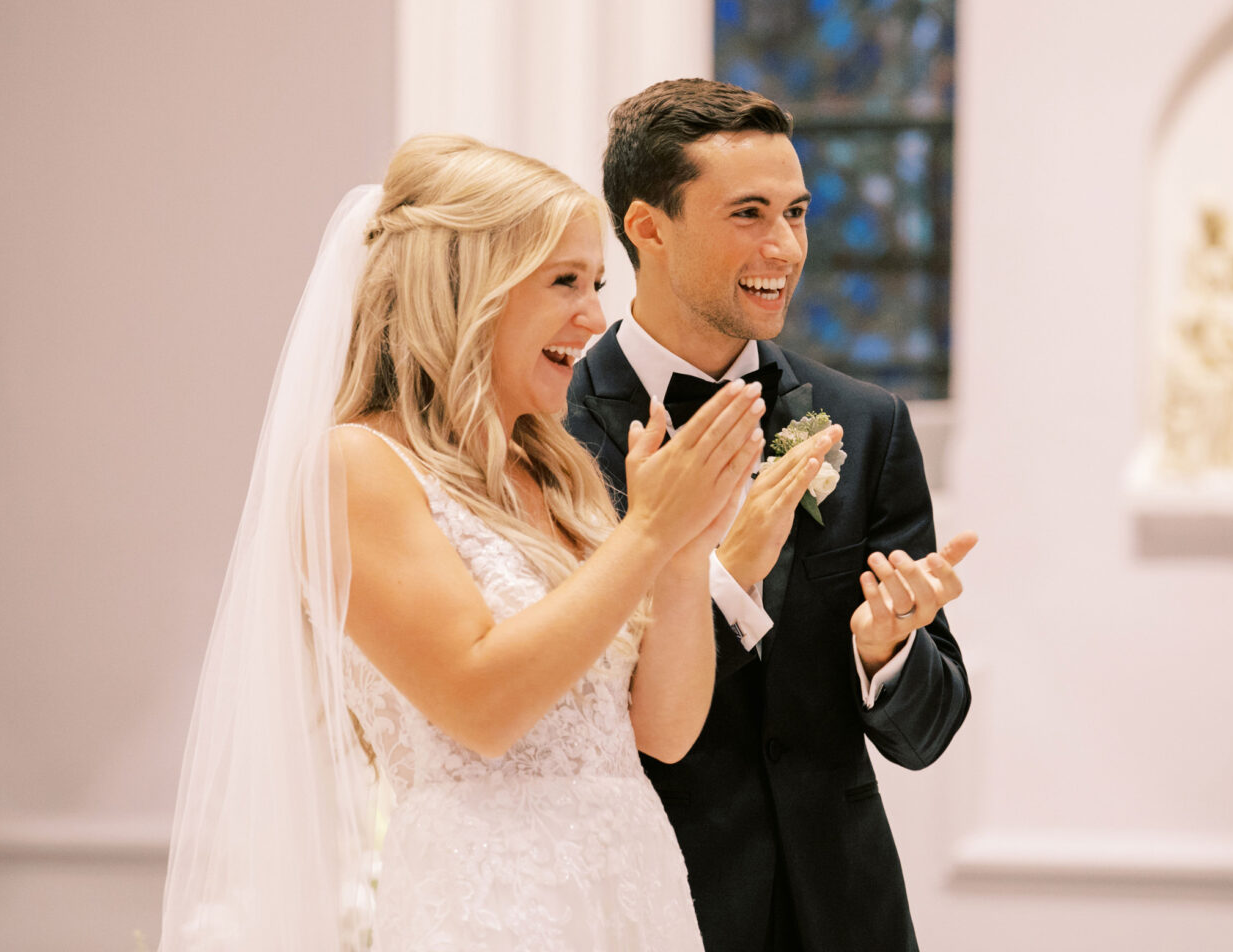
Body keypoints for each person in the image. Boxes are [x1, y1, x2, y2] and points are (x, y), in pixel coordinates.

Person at [161, 135, 796, 950]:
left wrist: (681, 556)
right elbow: (480, 706)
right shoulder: (357, 466)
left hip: (636, 890)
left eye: (596, 283)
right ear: (467, 291)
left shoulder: (557, 476)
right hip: (495, 908)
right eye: (563, 281)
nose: (593, 317)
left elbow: (662, 733)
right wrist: (648, 533)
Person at [566, 79, 976, 951]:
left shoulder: (864, 425)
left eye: (797, 212)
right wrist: (721, 581)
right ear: (648, 227)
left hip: (843, 911)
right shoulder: (553, 432)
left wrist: (888, 653)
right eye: (749, 213)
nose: (785, 246)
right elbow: (571, 711)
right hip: (651, 904)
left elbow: (928, 734)